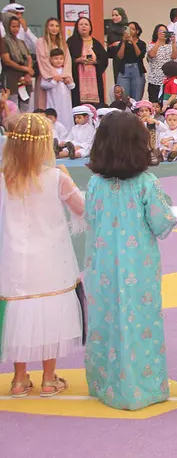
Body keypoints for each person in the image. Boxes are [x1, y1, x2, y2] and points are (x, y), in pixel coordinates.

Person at [84, 110, 177, 409]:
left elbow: (91, 218)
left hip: (103, 268)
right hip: (140, 268)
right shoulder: (146, 183)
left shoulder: (95, 184)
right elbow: (162, 223)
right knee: (141, 320)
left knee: (106, 318)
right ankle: (143, 385)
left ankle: (105, 383)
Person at [0, 113, 84, 398]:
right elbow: (83, 209)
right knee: (51, 311)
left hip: (14, 258)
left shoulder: (3, 179)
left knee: (18, 310)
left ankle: (19, 378)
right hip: (50, 257)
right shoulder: (56, 177)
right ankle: (49, 379)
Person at [67, 17, 108, 107]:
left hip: (94, 78)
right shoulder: (71, 42)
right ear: (77, 27)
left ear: (90, 28)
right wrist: (78, 60)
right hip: (78, 78)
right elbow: (66, 60)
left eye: (86, 24)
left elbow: (104, 60)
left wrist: (95, 62)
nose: (83, 26)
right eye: (81, 24)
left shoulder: (96, 43)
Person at [35, 18, 72, 111]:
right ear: (47, 27)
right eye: (51, 25)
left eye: (57, 26)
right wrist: (55, 75)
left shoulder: (63, 43)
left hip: (62, 80)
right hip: (47, 77)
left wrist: (64, 75)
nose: (54, 28)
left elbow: (68, 60)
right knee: (46, 108)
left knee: (64, 107)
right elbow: (43, 60)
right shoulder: (41, 42)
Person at [0, 16, 35, 109]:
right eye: (13, 26)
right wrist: (25, 68)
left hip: (25, 79)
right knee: (12, 107)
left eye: (17, 27)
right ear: (7, 26)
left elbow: (29, 58)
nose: (16, 29)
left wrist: (28, 73)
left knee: (25, 108)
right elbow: (7, 60)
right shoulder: (3, 41)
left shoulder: (21, 42)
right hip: (11, 78)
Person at [40, 48, 74, 130]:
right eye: (56, 59)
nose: (58, 61)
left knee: (66, 115)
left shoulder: (66, 70)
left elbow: (73, 86)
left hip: (65, 100)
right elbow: (43, 85)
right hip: (53, 98)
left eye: (61, 58)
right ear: (50, 60)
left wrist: (69, 83)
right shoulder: (48, 71)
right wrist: (54, 81)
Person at [115, 22, 147, 102]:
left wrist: (132, 42)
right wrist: (124, 42)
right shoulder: (122, 43)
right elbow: (119, 56)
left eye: (132, 29)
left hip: (137, 70)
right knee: (123, 97)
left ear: (137, 31)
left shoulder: (141, 43)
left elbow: (139, 55)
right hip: (124, 71)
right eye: (128, 29)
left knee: (137, 97)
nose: (130, 31)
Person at [146, 24, 177, 104]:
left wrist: (174, 42)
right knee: (154, 103)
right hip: (154, 80)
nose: (163, 33)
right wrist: (159, 41)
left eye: (165, 32)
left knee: (165, 103)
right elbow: (152, 55)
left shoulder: (170, 46)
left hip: (167, 81)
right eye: (160, 31)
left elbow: (174, 56)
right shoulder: (151, 45)